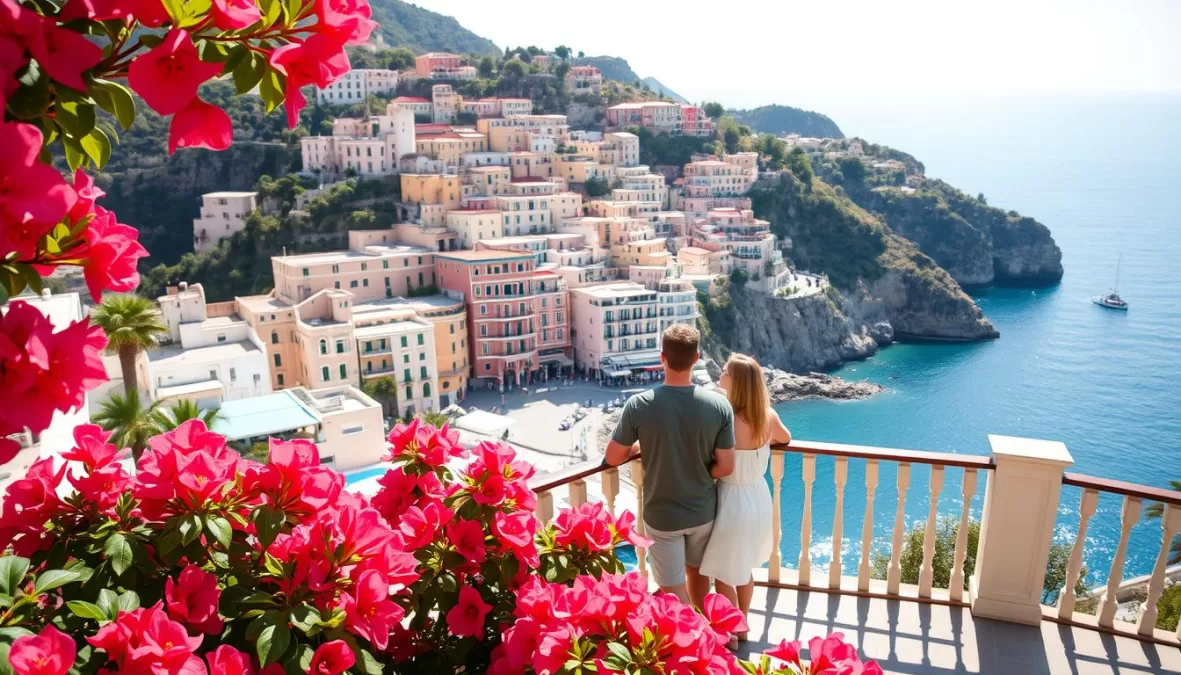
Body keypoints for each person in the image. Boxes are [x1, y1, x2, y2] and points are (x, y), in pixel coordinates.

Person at [605, 325, 735, 609]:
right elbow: (726, 466)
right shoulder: (719, 405)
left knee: (672, 591)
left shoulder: (639, 405)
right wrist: (699, 473)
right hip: (702, 510)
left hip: (662, 515)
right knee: (698, 574)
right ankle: (705, 627)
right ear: (696, 358)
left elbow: (613, 457)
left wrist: (639, 447)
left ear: (662, 357)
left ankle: (696, 630)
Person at [698, 354, 792, 645]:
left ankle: (732, 634)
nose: (720, 373)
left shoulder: (725, 418)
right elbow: (785, 438)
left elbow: (710, 454)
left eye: (725, 371)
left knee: (724, 573)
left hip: (732, 500)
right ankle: (744, 624)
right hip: (758, 498)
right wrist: (761, 445)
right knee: (743, 568)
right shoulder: (767, 415)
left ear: (735, 381)